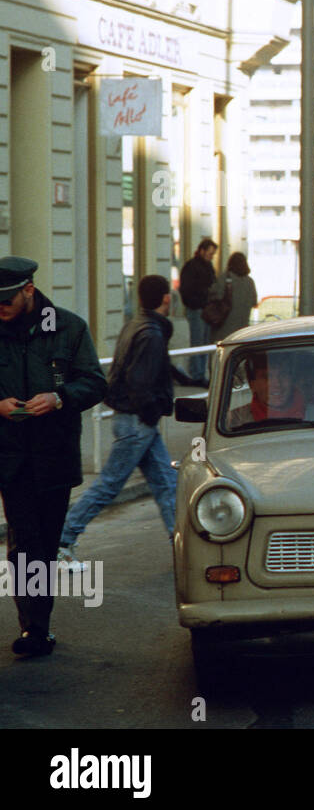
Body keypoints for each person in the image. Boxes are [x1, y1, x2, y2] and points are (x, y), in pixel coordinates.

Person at [0, 256, 107, 656]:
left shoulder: (68, 327)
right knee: (24, 541)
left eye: (8, 299)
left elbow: (96, 383)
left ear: (29, 290)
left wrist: (59, 398)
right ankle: (33, 629)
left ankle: (38, 623)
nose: (2, 308)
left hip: (55, 456)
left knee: (44, 543)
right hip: (11, 457)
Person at [58, 274, 198, 570]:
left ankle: (186, 550)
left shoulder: (137, 326)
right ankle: (62, 541)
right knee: (109, 485)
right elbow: (139, 380)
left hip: (135, 420)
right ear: (166, 298)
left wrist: (190, 380)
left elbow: (153, 368)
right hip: (137, 421)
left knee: (166, 483)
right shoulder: (152, 333)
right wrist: (151, 411)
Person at [228, 351, 314, 429]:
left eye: (283, 375)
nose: (276, 384)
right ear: (253, 384)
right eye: (267, 377)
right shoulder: (233, 421)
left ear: (292, 380)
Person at [179, 238, 218, 382]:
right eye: (209, 254)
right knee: (198, 342)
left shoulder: (208, 266)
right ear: (202, 251)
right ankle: (197, 374)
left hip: (206, 309)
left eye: (212, 254)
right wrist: (200, 299)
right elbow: (187, 290)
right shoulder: (192, 266)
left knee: (205, 342)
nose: (211, 257)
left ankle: (200, 373)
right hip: (197, 309)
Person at [208, 251, 258, 343]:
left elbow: (214, 296)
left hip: (224, 327)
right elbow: (254, 302)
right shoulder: (250, 282)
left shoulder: (225, 278)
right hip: (242, 328)